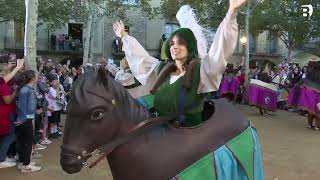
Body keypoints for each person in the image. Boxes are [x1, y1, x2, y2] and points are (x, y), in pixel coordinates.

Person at [113, 0, 246, 127]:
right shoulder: (161, 69)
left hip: (188, 136)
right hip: (160, 129)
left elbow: (220, 50)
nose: (175, 47)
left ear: (190, 47)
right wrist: (124, 36)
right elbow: (141, 59)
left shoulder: (201, 70)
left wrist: (231, 13)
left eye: (181, 43)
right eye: (172, 43)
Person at [16, 70, 42, 173]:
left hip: (27, 117)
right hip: (25, 119)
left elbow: (28, 105)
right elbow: (21, 106)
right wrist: (22, 119)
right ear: (32, 78)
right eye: (36, 76)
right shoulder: (25, 90)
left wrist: (35, 111)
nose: (38, 77)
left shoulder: (27, 89)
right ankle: (26, 165)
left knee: (25, 141)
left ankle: (23, 162)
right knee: (28, 141)